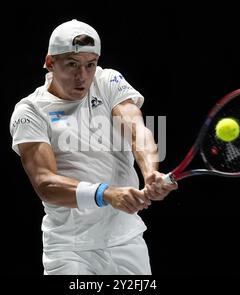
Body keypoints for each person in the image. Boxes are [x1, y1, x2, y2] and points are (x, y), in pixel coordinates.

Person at [9, 19, 177, 275]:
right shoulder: (30, 111)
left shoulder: (108, 81)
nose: (82, 76)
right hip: (70, 250)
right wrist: (107, 194)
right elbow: (45, 183)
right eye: (72, 65)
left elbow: (137, 130)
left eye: (90, 65)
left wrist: (150, 172)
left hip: (126, 240)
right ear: (50, 62)